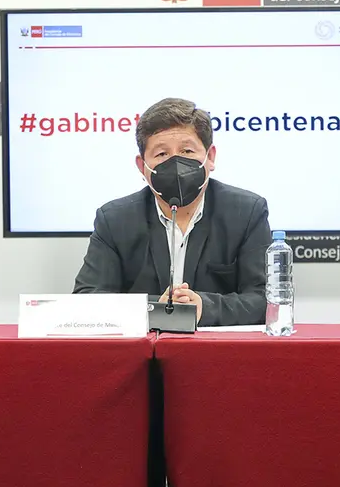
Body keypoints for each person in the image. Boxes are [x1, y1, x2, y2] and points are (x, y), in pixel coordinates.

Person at [73, 97, 272, 326]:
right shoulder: (115, 219)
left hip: (216, 354)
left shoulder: (246, 212)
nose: (176, 163)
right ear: (142, 166)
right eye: (161, 154)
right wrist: (157, 307)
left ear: (211, 157)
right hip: (143, 356)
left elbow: (266, 300)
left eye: (187, 151)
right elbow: (86, 298)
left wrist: (203, 308)